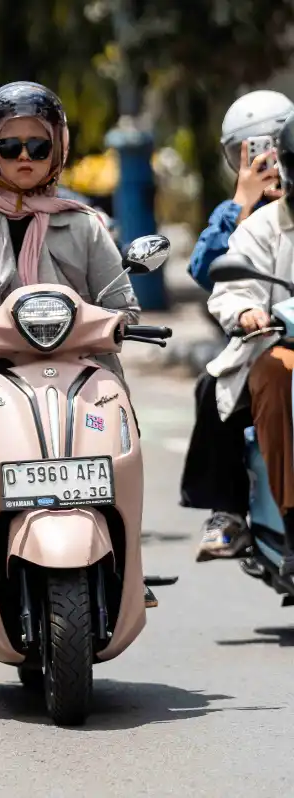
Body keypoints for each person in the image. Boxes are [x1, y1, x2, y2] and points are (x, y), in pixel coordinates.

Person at [0, 82, 139, 598]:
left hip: (82, 367)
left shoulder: (87, 226)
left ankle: (127, 561)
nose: (25, 157)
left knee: (120, 448)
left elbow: (121, 300)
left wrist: (119, 320)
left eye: (38, 145)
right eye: (10, 146)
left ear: (59, 148)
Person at [184, 90, 293, 560]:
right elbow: (207, 270)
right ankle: (228, 511)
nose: (267, 164)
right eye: (249, 154)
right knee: (214, 389)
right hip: (258, 343)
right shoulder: (244, 218)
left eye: (274, 150)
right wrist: (241, 205)